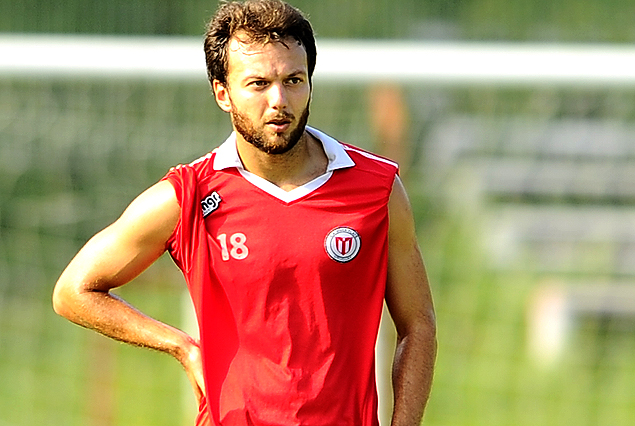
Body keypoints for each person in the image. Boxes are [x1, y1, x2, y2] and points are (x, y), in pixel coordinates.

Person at [52, 1, 437, 425]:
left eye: (293, 80)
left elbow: (418, 325)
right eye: (259, 84)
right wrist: (181, 346)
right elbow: (74, 291)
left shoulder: (377, 189)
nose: (279, 101)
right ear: (223, 93)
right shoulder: (189, 194)